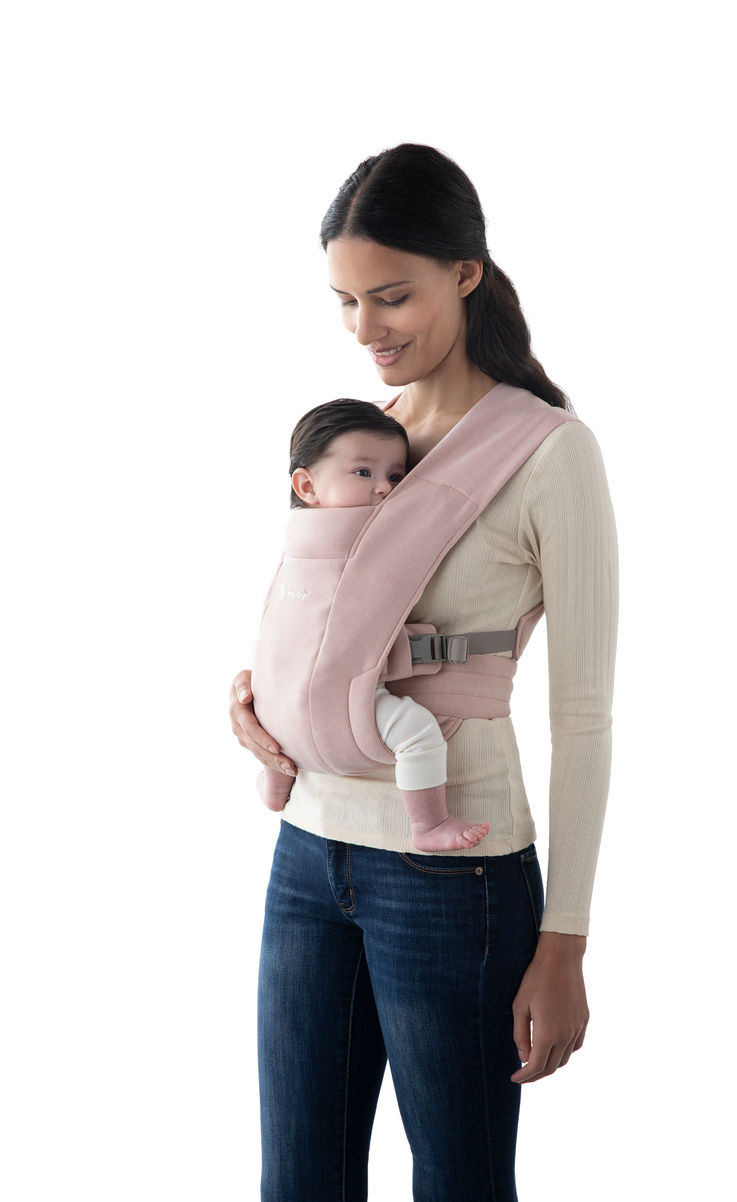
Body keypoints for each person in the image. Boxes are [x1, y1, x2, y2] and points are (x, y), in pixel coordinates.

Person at [229, 143, 619, 1202]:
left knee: (458, 1182)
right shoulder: (372, 441)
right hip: (309, 849)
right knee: (297, 1180)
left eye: (392, 296)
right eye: (346, 301)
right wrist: (253, 699)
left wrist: (565, 942)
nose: (366, 329)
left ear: (466, 272)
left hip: (456, 874)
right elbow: (321, 625)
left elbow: (583, 717)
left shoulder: (548, 454)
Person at [255, 397, 491, 852]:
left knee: (281, 712)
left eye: (397, 477)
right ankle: (428, 823)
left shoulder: (295, 543)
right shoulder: (364, 539)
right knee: (417, 732)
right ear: (306, 486)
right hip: (333, 701)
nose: (384, 488)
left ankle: (275, 782)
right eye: (363, 472)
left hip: (274, 701)